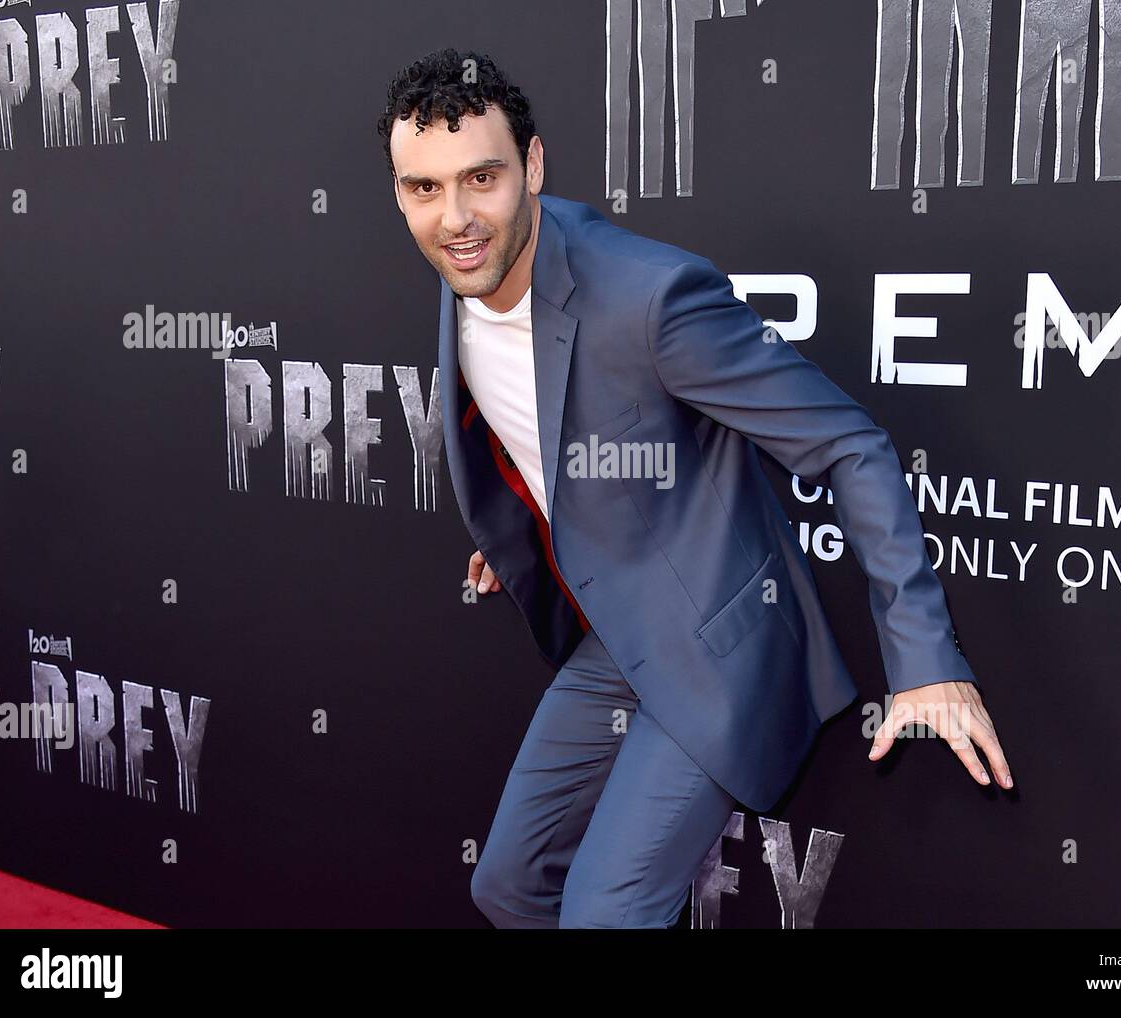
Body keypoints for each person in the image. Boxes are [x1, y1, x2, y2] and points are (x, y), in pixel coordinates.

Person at [378, 47, 1012, 929]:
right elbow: (551, 421)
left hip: (717, 643)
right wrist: (526, 530)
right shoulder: (464, 270)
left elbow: (849, 444)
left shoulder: (650, 299)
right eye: (424, 188)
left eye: (481, 178)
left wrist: (926, 661)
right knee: (508, 886)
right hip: (619, 630)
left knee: (603, 913)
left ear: (533, 165)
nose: (455, 217)